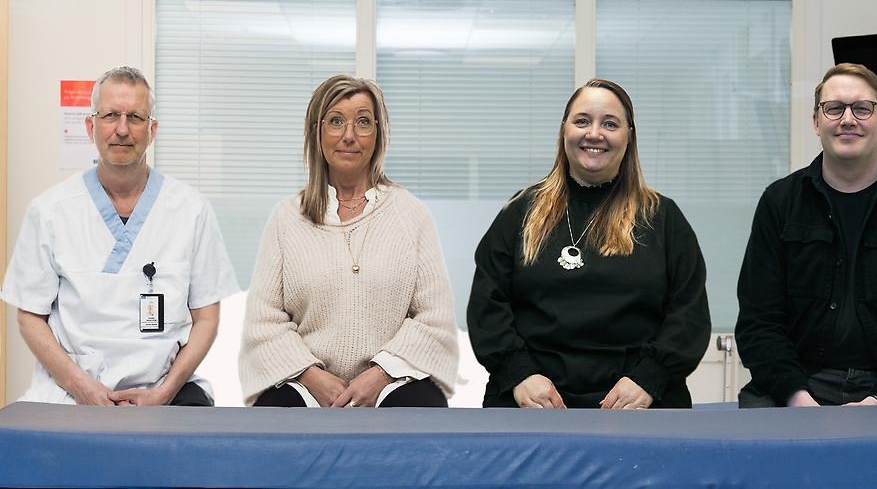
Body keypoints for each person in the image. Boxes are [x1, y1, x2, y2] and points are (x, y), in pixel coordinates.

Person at [467, 78, 710, 409]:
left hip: (639, 403)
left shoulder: (663, 218)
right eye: (582, 121)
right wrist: (519, 374)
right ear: (564, 130)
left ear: (629, 136)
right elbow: (487, 304)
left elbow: (689, 313)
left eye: (610, 124)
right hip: (533, 401)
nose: (594, 134)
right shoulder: (520, 212)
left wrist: (650, 378)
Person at [1, 66, 238, 406]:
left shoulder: (191, 210)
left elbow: (207, 318)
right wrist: (83, 388)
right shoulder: (50, 211)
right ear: (90, 126)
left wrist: (163, 393)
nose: (122, 129)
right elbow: (29, 316)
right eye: (111, 115)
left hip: (165, 388)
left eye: (135, 117)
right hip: (71, 392)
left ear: (152, 130)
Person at [736, 62, 877, 407]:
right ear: (816, 121)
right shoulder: (779, 203)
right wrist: (797, 398)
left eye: (862, 108)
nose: (848, 119)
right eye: (834, 108)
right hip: (798, 383)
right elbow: (758, 320)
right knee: (760, 427)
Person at [239, 75, 458, 408]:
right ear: (317, 131)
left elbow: (433, 317)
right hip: (304, 384)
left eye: (363, 122)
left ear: (378, 134)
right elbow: (264, 321)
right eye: (336, 121)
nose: (349, 135)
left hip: (392, 383)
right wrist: (312, 376)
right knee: (273, 417)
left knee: (424, 410)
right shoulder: (287, 217)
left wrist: (381, 374)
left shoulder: (411, 214)